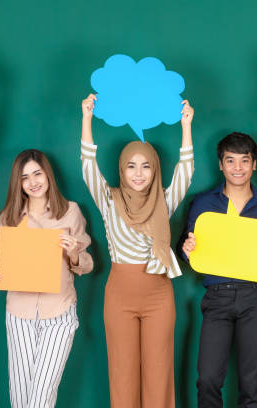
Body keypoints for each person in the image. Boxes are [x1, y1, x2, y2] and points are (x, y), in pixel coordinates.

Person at [80, 94, 194, 408]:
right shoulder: (108, 199)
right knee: (122, 373)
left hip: (158, 294)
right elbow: (88, 165)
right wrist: (86, 118)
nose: (139, 173)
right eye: (131, 166)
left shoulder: (164, 202)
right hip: (119, 294)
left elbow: (185, 171)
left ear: (155, 170)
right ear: (121, 169)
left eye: (146, 166)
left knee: (159, 372)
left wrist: (186, 126)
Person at [178, 132, 257, 408]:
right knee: (207, 378)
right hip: (216, 297)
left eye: (245, 161)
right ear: (221, 164)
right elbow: (188, 252)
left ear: (255, 164)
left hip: (255, 298)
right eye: (231, 161)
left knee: (251, 384)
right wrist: (186, 250)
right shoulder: (203, 205)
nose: (238, 168)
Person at [0, 149, 93, 408]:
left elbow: (86, 264)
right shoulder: (7, 218)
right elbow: (6, 265)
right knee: (20, 398)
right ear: (17, 183)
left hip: (60, 312)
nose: (32, 182)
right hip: (19, 313)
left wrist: (73, 251)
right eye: (24, 177)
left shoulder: (70, 212)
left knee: (41, 397)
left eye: (37, 173)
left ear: (48, 175)